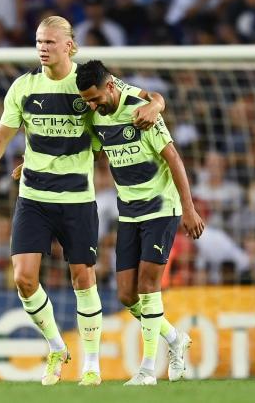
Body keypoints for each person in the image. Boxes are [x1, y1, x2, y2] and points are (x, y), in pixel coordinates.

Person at [0, 16, 164, 386]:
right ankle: (57, 346)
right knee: (24, 279)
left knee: (82, 277)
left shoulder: (86, 83)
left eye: (50, 42)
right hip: (34, 197)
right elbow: (0, 136)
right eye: (39, 41)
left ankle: (91, 363)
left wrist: (157, 105)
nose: (42, 47)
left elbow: (143, 96)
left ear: (69, 46)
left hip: (77, 198)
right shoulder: (24, 87)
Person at [76, 60, 205, 385]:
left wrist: (188, 210)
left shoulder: (141, 111)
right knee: (125, 295)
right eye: (87, 100)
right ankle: (175, 339)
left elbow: (173, 158)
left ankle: (148, 370)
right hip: (129, 211)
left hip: (162, 207)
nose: (91, 106)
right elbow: (85, 150)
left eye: (95, 98)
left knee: (148, 285)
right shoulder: (95, 115)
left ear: (110, 87)